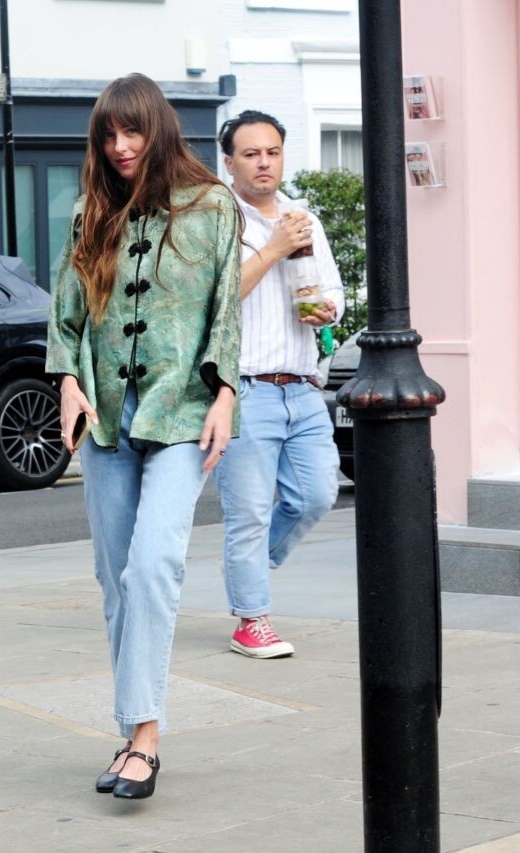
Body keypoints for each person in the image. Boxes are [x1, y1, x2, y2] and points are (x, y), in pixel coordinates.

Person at [47, 74, 241, 800]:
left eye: (132, 131)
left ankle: (145, 742)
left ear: (158, 129)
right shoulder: (90, 211)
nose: (120, 146)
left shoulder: (211, 206)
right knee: (115, 578)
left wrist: (226, 395)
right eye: (108, 134)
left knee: (153, 564)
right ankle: (136, 731)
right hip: (106, 418)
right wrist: (68, 382)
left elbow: (226, 309)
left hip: (182, 413)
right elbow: (66, 314)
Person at [214, 110, 345, 659]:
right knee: (247, 512)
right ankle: (252, 619)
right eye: (251, 154)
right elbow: (216, 298)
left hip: (303, 386)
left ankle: (249, 566)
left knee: (317, 495)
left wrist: (329, 310)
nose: (264, 163)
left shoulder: (302, 217)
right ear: (230, 163)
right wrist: (272, 248)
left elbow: (332, 292)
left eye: (272, 152)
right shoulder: (217, 220)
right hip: (244, 390)